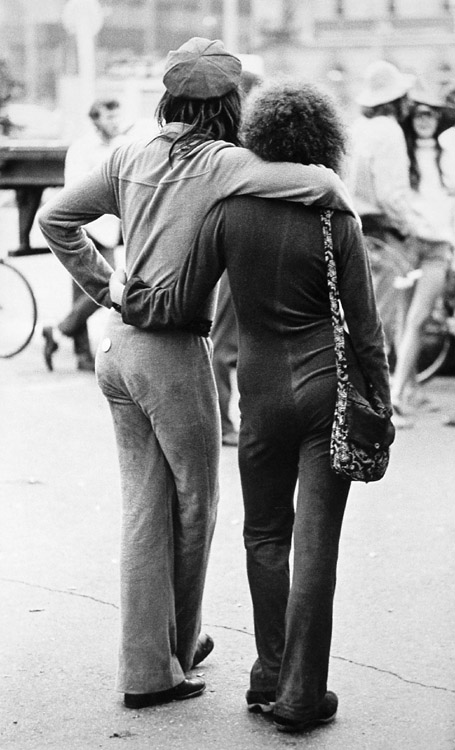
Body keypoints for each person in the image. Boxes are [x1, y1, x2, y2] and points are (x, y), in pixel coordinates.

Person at [38, 37, 357, 710]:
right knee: (193, 510)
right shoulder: (227, 165)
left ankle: (152, 658)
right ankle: (171, 656)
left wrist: (109, 289)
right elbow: (322, 185)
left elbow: (54, 217)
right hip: (173, 353)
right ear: (229, 103)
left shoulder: (128, 152)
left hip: (118, 348)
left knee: (143, 509)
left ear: (169, 97)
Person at [110, 81, 392, 732]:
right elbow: (366, 329)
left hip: (260, 390)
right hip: (326, 388)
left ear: (256, 138)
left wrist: (122, 300)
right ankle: (300, 694)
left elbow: (181, 299)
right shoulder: (333, 210)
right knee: (316, 544)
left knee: (265, 534)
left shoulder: (227, 209)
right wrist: (377, 400)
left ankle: (266, 673)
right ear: (324, 139)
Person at [347, 60, 421, 363]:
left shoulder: (358, 128)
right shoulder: (389, 132)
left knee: (357, 313)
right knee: (380, 320)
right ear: (396, 100)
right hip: (382, 232)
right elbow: (392, 194)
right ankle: (372, 391)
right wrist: (410, 227)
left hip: (354, 228)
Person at [42, 99, 124, 372]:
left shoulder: (120, 145)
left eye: (117, 117)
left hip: (109, 227)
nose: (114, 123)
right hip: (85, 228)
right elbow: (74, 192)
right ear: (95, 120)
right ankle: (77, 348)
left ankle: (61, 335)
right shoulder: (82, 149)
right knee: (101, 289)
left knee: (93, 292)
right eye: (108, 118)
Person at [390, 88, 455, 425]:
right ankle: (406, 390)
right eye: (420, 115)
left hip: (438, 247)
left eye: (431, 115)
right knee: (402, 321)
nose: (426, 121)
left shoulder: (448, 152)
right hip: (409, 243)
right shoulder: (404, 153)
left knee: (417, 320)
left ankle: (397, 395)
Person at [211, 67, 262, 447]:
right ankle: (226, 424)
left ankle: (234, 422)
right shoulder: (238, 145)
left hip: (238, 247)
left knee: (230, 342)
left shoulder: (229, 142)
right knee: (228, 343)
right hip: (239, 249)